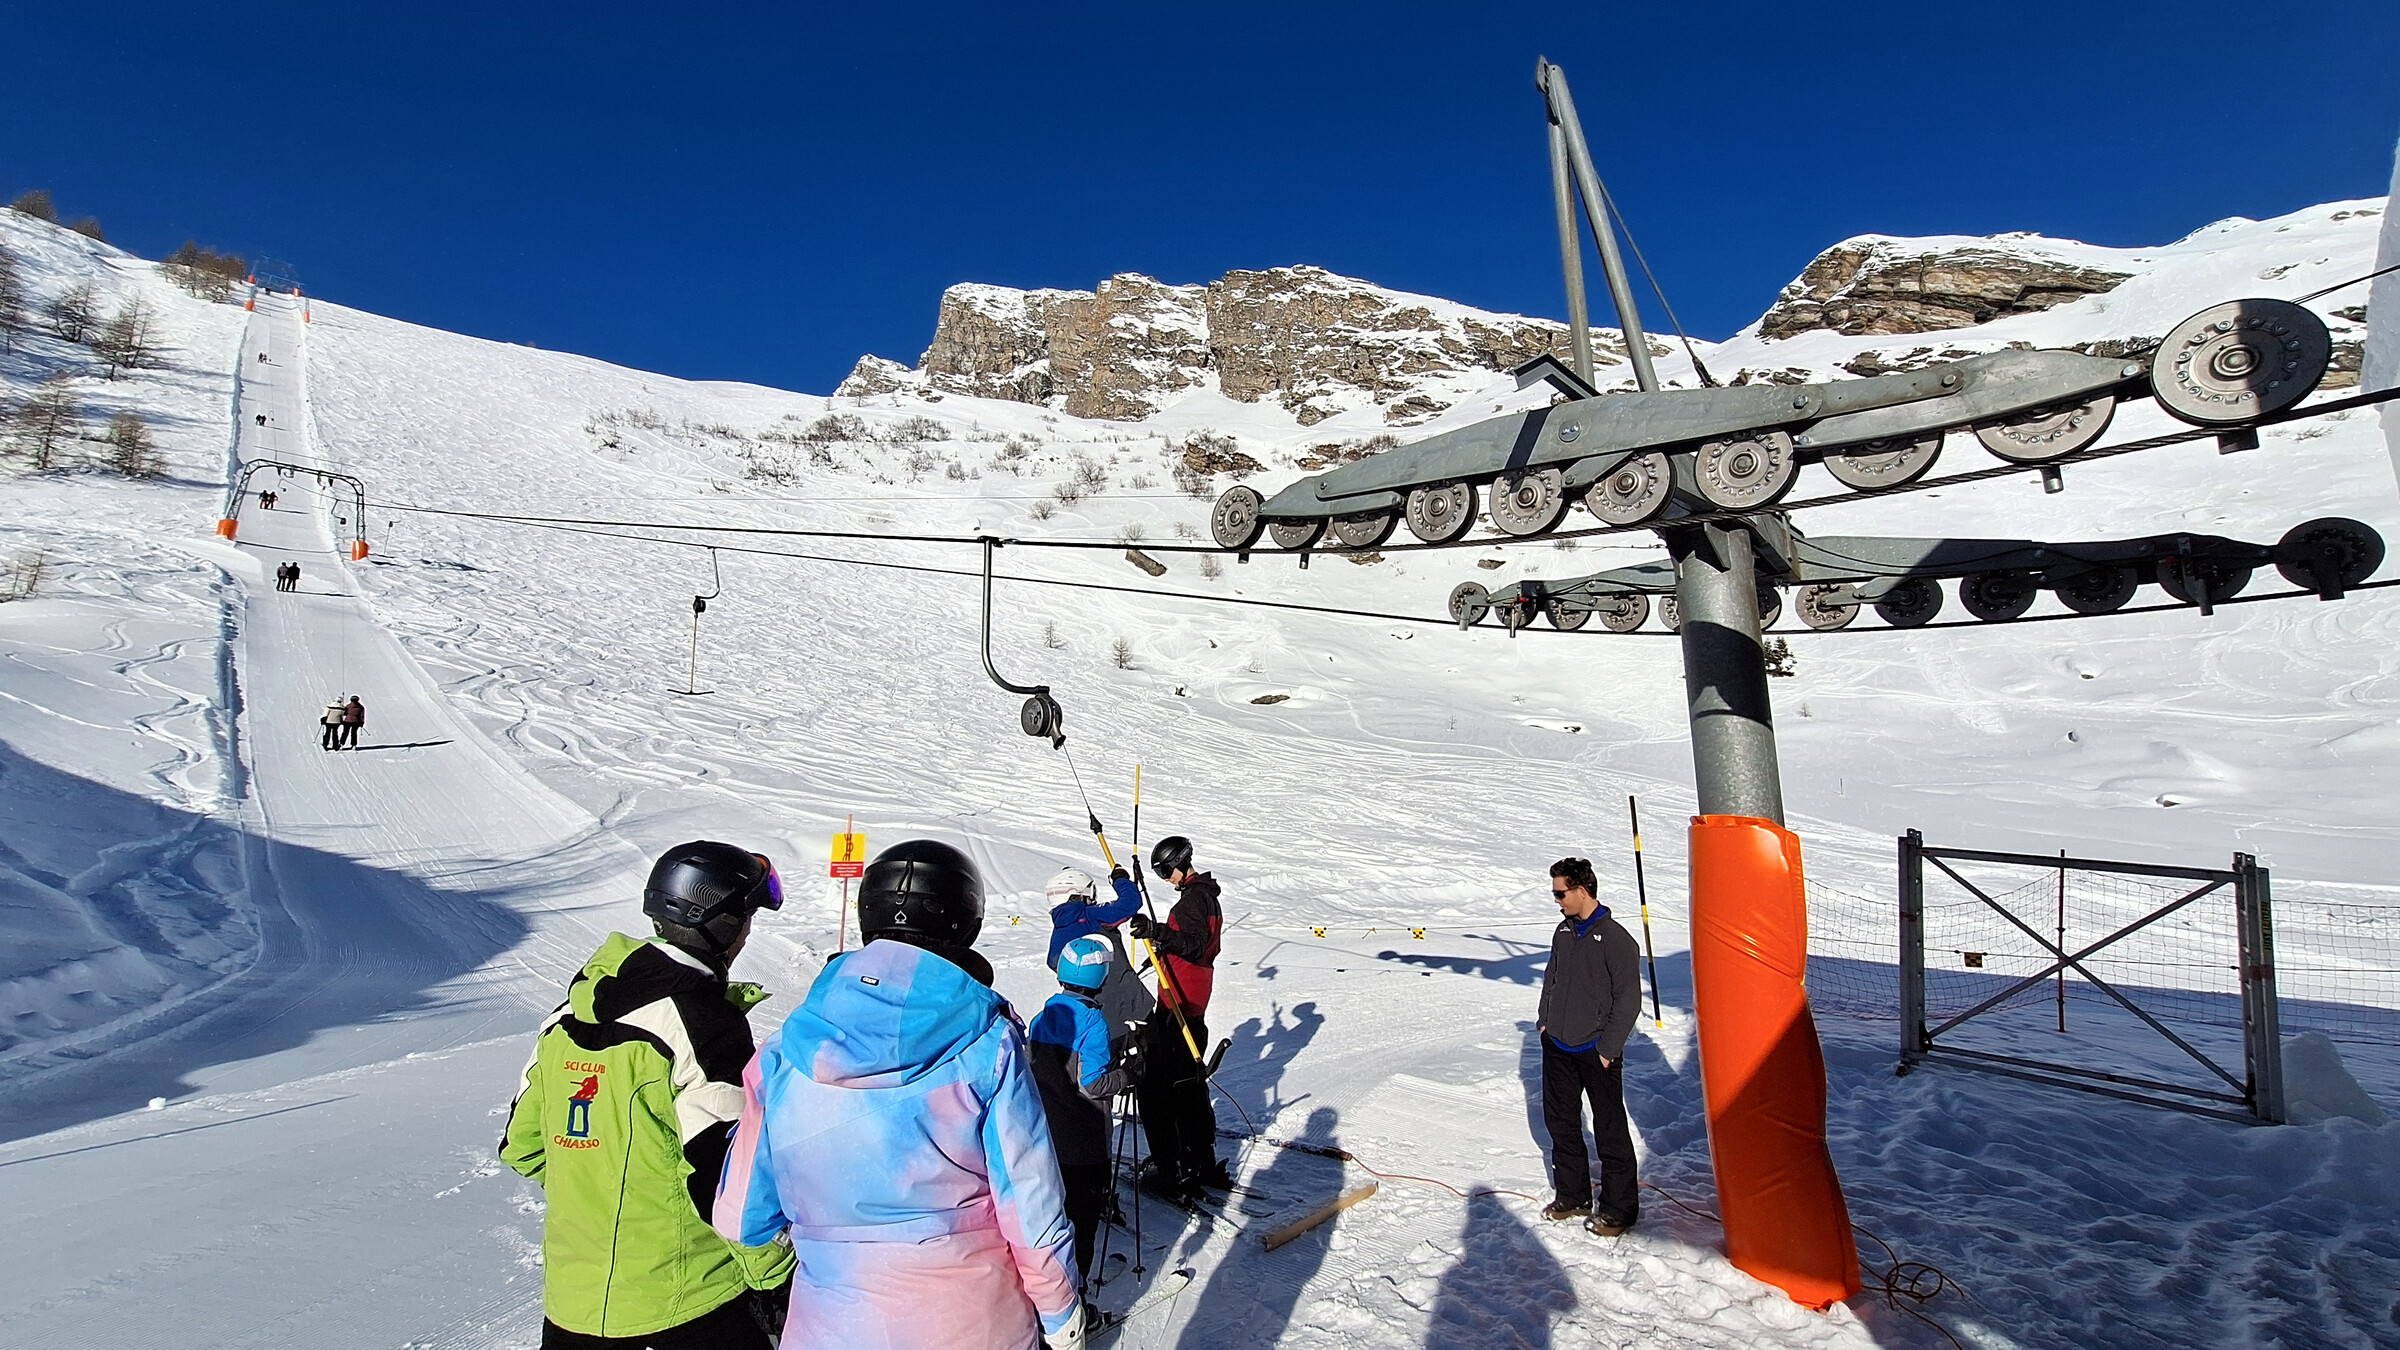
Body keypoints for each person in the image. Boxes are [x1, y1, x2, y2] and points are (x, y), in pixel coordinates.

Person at [714, 839, 1083, 1350]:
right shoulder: (987, 1042)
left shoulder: (781, 1055)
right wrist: (1061, 1313)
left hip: (830, 1326)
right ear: (966, 922)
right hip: (972, 1322)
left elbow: (740, 1216)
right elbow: (1029, 1200)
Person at [501, 841, 797, 1347]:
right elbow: (727, 1178)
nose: (748, 932)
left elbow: (523, 1146)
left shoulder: (564, 1019)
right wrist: (776, 1280)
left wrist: (604, 1186)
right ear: (724, 924)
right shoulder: (703, 1025)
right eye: (747, 917)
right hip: (688, 1306)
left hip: (571, 1312)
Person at [1029, 935, 1143, 1312]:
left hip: (1048, 1135)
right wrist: (1127, 1075)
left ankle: (1047, 1290)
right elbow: (1092, 1083)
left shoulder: (1044, 1016)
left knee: (1055, 1215)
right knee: (1082, 1220)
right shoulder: (1093, 1022)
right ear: (1100, 977)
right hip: (1084, 1140)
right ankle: (1074, 1301)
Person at [1535, 856, 1644, 1236]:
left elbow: (1629, 1001)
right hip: (1558, 1045)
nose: (1557, 900)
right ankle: (1573, 1196)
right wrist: (1545, 1021)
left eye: (1560, 893)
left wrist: (1607, 1049)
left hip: (1596, 1052)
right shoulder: (1563, 932)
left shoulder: (1617, 940)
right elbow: (1551, 977)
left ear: (1582, 891)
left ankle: (1618, 1210)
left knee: (1610, 1131)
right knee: (1561, 1124)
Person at [1124, 834, 1227, 1199]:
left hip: (1178, 1006)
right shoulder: (1205, 896)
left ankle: (1169, 1169)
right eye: (1160, 874)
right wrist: (1162, 941)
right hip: (1190, 1002)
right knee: (1188, 1085)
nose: (1166, 879)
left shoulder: (1193, 901)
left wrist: (1158, 932)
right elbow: (1193, 944)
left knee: (1154, 1087)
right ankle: (1199, 1159)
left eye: (1166, 871)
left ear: (1180, 863)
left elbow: (1196, 946)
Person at [1044, 866, 1153, 1055]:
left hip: (1091, 1011)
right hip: (1128, 1003)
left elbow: (1054, 962)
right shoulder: (1090, 915)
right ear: (1078, 894)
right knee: (1148, 1053)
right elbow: (1130, 903)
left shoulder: (1060, 930)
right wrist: (1121, 880)